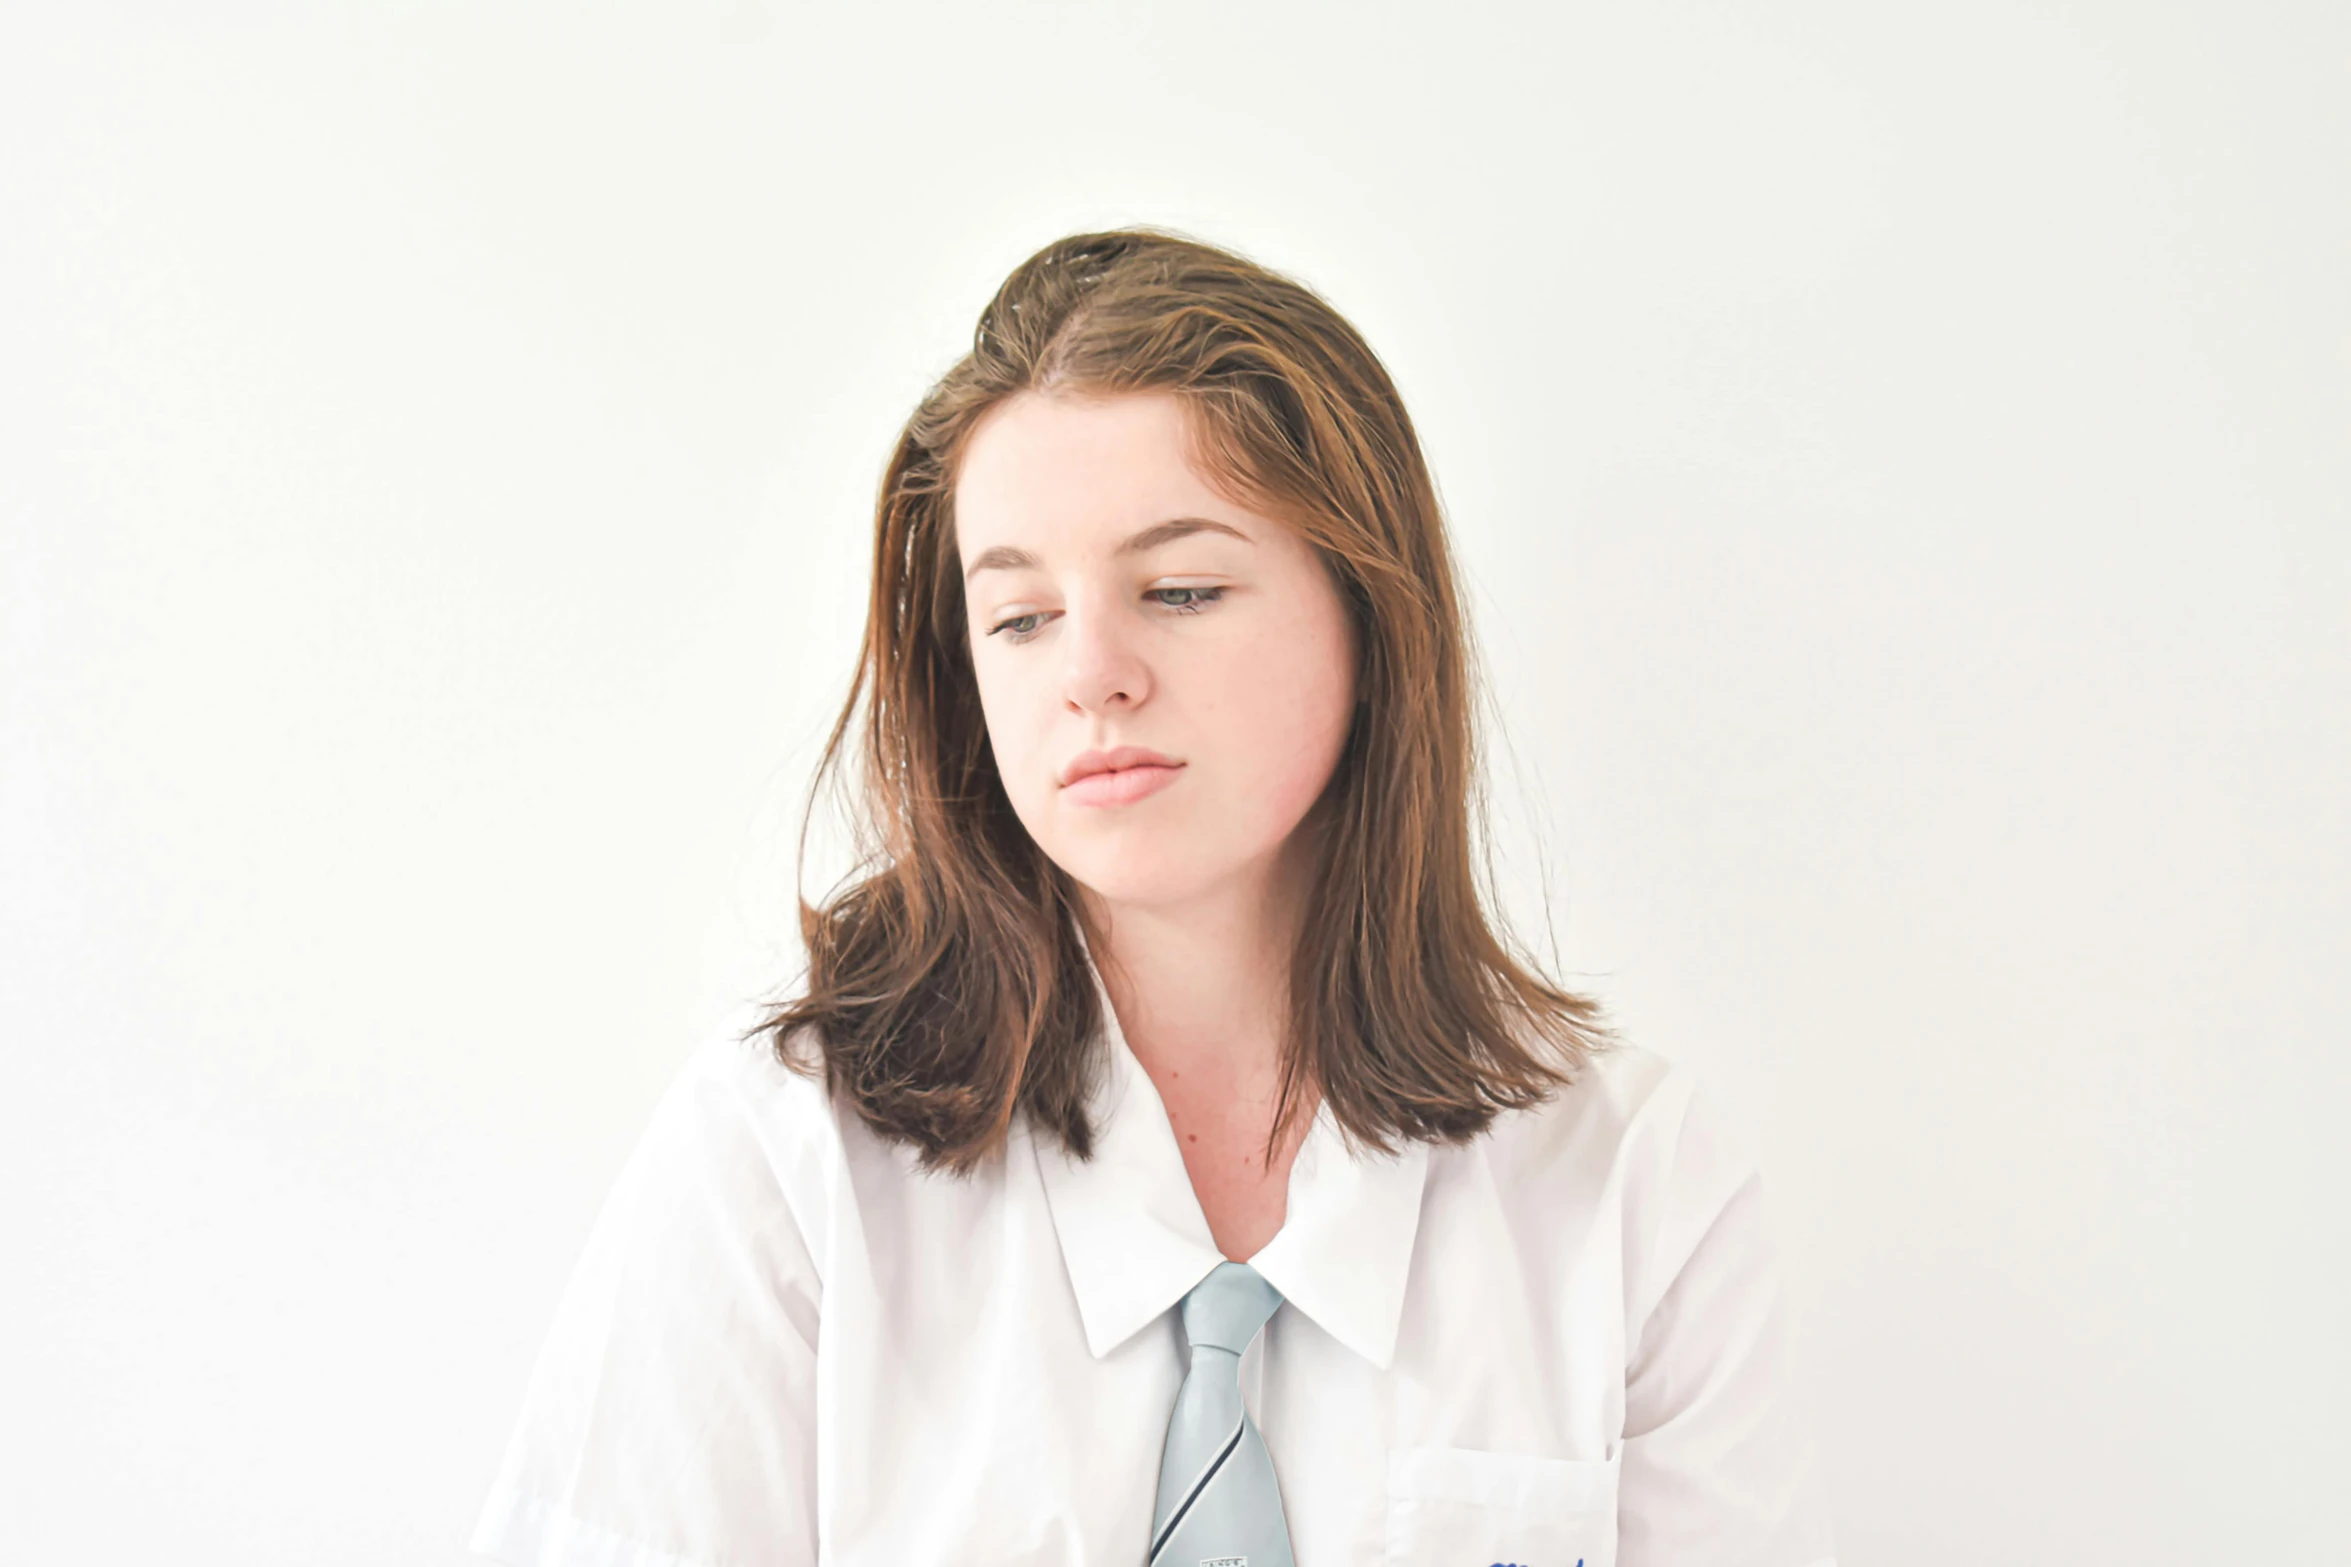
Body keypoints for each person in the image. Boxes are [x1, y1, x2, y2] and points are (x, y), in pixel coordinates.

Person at [469, 228, 1837, 1567]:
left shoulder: (1637, 1187)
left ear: (1371, 614)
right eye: (1018, 617)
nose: (1091, 672)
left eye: (1178, 588)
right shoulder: (783, 1163)